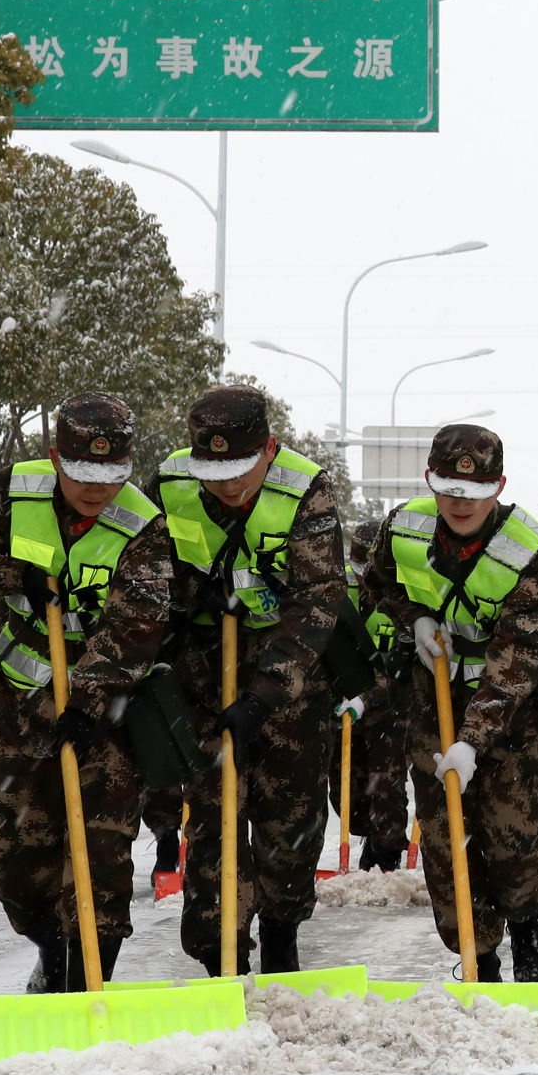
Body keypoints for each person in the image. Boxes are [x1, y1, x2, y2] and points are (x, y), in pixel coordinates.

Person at [0, 394, 170, 992]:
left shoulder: (143, 525)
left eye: (110, 477)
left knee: (101, 852)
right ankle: (50, 945)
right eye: (82, 475)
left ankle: (88, 981)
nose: (96, 490)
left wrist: (90, 705)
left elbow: (135, 629)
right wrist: (17, 575)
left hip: (105, 712)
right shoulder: (13, 493)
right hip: (16, 703)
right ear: (54, 458)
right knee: (15, 852)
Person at [149, 385, 350, 975]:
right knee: (213, 817)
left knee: (291, 814)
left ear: (269, 448)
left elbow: (318, 602)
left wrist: (264, 698)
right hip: (205, 668)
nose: (229, 487)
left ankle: (283, 938)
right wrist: (194, 592)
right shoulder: (170, 486)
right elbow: (149, 567)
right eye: (215, 473)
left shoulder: (305, 491)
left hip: (290, 674)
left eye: (241, 471)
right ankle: (221, 955)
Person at [361, 424, 538, 980]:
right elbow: (377, 584)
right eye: (448, 488)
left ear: (499, 486)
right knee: (447, 840)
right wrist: (415, 617)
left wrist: (473, 741)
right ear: (430, 480)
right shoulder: (403, 527)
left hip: (515, 711)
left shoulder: (530, 549)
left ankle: (527, 931)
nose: (459, 503)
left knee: (511, 833)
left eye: (474, 493)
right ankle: (481, 957)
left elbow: (519, 657)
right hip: (435, 701)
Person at [342, 518, 412, 871]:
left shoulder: (404, 595)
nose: (361, 580)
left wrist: (366, 699)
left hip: (392, 708)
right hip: (342, 709)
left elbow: (402, 670)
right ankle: (370, 840)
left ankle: (387, 859)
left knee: (386, 788)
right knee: (348, 797)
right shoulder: (335, 589)